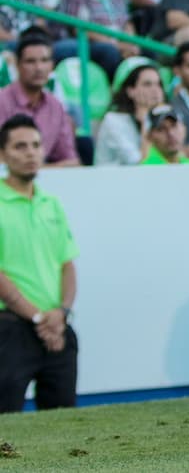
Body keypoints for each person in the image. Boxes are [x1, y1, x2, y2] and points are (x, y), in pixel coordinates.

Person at [0, 115, 78, 413]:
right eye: (20, 146)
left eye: (35, 145)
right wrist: (37, 318)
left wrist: (62, 313)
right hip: (10, 328)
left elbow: (67, 263)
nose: (30, 153)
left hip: (57, 326)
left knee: (63, 421)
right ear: (3, 154)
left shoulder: (51, 203)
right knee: (6, 422)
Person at [0, 31, 80, 167]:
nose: (39, 68)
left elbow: (71, 161)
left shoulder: (55, 106)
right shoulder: (2, 101)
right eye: (30, 61)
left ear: (52, 65)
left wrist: (36, 170)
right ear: (17, 65)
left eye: (44, 61)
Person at [94, 63, 165, 166]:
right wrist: (146, 121)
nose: (155, 90)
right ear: (130, 91)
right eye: (147, 84)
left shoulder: (166, 119)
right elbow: (138, 163)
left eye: (158, 84)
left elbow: (178, 158)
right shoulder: (113, 121)